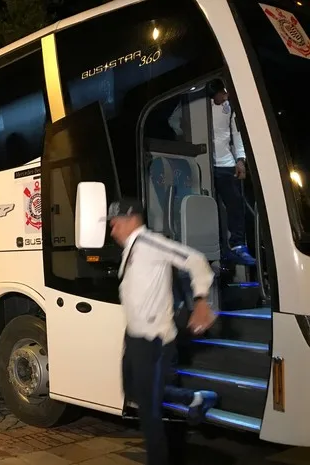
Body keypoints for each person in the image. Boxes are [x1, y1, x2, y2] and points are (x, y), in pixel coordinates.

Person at [108, 199, 218, 465]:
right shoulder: (131, 249)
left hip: (154, 339)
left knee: (149, 411)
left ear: (133, 219)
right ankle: (195, 398)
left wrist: (202, 301)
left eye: (116, 224)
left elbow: (195, 260)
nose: (112, 231)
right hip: (134, 336)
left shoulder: (149, 242)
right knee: (132, 391)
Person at [168, 79, 255, 265]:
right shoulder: (195, 100)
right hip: (203, 162)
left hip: (226, 163)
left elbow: (236, 133)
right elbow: (174, 120)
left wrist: (241, 159)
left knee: (235, 205)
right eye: (223, 93)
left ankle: (237, 245)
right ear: (213, 91)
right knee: (209, 206)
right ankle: (213, 250)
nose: (226, 96)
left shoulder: (229, 106)